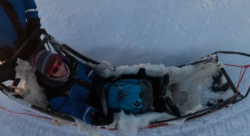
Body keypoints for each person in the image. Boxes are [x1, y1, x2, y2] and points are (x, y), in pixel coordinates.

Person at [31, 50, 179, 126]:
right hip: (95, 102)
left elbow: (86, 69)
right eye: (55, 70)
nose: (61, 69)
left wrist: (97, 77)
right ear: (48, 76)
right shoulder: (56, 96)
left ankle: (155, 85)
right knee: (125, 100)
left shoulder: (71, 64)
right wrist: (93, 116)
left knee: (123, 83)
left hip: (101, 84)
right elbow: (76, 109)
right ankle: (159, 106)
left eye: (59, 63)